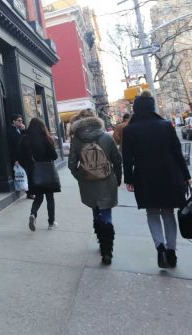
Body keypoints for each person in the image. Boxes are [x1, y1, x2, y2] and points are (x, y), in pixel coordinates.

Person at [122, 91, 192, 268]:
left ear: (136, 109)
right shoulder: (166, 125)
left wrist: (129, 179)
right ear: (152, 107)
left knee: (152, 213)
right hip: (169, 175)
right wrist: (186, 175)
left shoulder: (130, 130)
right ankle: (171, 251)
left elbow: (127, 158)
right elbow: (178, 153)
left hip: (144, 177)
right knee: (168, 213)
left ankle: (159, 248)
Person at [68, 109, 122, 265]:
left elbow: (72, 165)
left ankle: (100, 239)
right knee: (106, 214)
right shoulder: (106, 137)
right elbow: (117, 160)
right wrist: (117, 178)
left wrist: (81, 177)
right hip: (107, 181)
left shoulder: (77, 140)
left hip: (88, 182)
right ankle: (107, 251)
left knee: (95, 209)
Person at [20, 117, 60, 230]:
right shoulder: (45, 139)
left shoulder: (24, 139)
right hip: (46, 171)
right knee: (49, 198)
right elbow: (55, 156)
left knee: (38, 196)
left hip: (33, 172)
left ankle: (33, 214)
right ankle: (51, 223)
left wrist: (29, 167)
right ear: (42, 127)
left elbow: (20, 157)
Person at [7, 114, 33, 199]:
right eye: (19, 120)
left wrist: (24, 130)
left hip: (26, 156)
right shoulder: (10, 131)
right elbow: (10, 147)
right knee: (25, 174)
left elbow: (28, 140)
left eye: (21, 121)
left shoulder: (21, 130)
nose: (21, 122)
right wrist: (14, 159)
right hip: (18, 158)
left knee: (28, 174)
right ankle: (29, 193)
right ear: (13, 121)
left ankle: (30, 191)